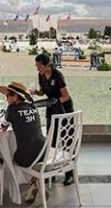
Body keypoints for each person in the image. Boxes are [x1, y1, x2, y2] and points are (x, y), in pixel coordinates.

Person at [0, 81, 46, 203]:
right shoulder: (32, 106)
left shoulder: (11, 109)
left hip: (27, 159)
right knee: (30, 145)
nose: (6, 99)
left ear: (16, 96)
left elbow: (3, 128)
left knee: (7, 158)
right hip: (43, 152)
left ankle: (11, 188)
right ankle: (34, 180)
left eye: (8, 96)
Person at [32, 53, 75, 185]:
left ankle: (69, 174)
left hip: (64, 109)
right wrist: (36, 92)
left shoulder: (57, 75)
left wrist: (56, 103)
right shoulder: (41, 75)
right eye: (36, 66)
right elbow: (43, 91)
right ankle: (52, 172)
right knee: (52, 141)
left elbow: (66, 96)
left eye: (39, 66)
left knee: (66, 141)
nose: (37, 69)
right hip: (51, 109)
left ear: (46, 65)